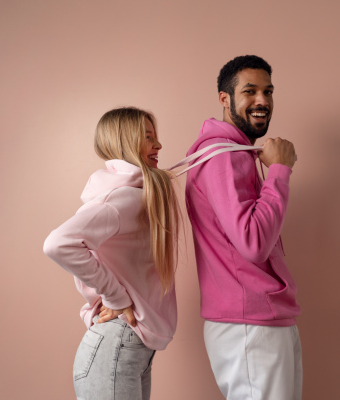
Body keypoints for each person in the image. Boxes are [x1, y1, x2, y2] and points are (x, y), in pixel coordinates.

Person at [185, 55, 302, 399]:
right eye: (249, 91)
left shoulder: (238, 152)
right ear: (225, 99)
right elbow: (252, 244)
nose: (262, 100)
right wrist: (279, 170)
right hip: (248, 322)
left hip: (263, 317)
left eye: (268, 91)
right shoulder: (222, 155)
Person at [43, 107, 180, 400]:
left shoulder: (141, 192)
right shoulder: (123, 198)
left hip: (129, 348)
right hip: (117, 345)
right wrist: (116, 297)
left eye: (156, 137)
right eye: (147, 137)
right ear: (124, 142)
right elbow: (58, 243)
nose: (158, 145)